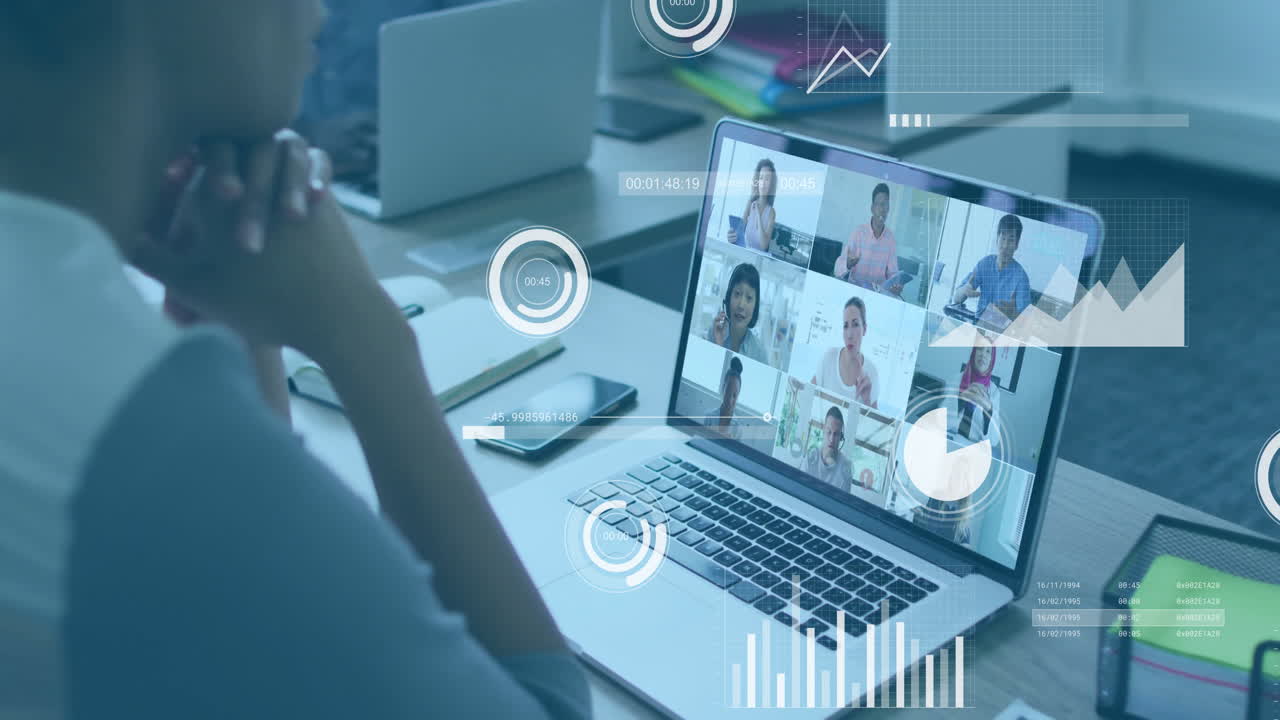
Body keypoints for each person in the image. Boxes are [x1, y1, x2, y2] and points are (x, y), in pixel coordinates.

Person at [0, 2, 587, 718]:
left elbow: (245, 650)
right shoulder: (134, 430)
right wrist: (366, 339)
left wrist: (233, 318)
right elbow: (543, 707)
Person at [953, 213, 1032, 321]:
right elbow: (956, 299)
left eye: (1011, 240)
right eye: (1003, 238)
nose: (1005, 245)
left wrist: (1013, 314)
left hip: (1003, 333)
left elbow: (1025, 321)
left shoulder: (1021, 278)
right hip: (979, 325)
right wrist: (964, 291)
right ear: (997, 239)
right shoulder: (985, 264)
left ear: (1017, 245)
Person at [833, 183, 902, 294]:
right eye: (878, 204)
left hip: (876, 295)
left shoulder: (891, 240)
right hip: (854, 291)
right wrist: (848, 264)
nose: (882, 209)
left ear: (888, 208)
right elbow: (837, 269)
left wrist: (896, 285)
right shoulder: (858, 233)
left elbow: (893, 274)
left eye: (885, 205)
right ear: (872, 208)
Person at [812, 297, 879, 409]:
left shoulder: (871, 373)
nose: (849, 335)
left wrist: (867, 400)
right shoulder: (829, 358)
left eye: (855, 324)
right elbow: (807, 396)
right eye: (845, 326)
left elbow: (872, 422)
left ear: (865, 329)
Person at [707, 263, 768, 364]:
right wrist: (718, 346)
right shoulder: (713, 333)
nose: (741, 305)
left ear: (755, 307)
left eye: (749, 298)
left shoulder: (759, 353)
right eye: (737, 294)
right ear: (728, 298)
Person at [727, 159, 776, 252]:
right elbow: (739, 234)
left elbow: (764, 245)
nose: (763, 183)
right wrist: (731, 237)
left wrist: (758, 214)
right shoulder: (750, 203)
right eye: (761, 178)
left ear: (771, 183)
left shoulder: (771, 212)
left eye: (767, 179)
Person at [803, 406, 854, 492]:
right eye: (829, 432)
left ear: (841, 437)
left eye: (836, 434)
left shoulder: (846, 468)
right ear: (823, 430)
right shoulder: (811, 456)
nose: (831, 439)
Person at [956, 335, 996, 439]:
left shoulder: (994, 392)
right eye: (980, 348)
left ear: (992, 360)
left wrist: (988, 410)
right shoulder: (956, 379)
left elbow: (994, 439)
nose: (983, 354)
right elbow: (941, 422)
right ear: (974, 353)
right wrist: (960, 400)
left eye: (988, 351)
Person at [703, 357, 746, 440]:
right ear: (723, 389)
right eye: (728, 392)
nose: (730, 400)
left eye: (734, 395)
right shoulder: (709, 417)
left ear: (738, 397)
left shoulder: (738, 429)